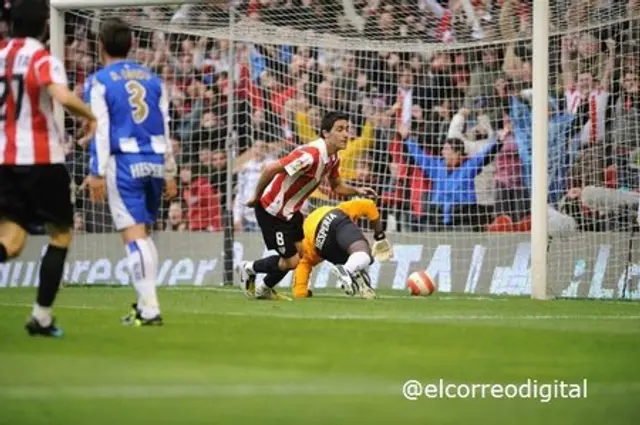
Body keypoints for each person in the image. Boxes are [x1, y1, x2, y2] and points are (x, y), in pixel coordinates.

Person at [0, 0, 97, 337]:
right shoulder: (40, 57)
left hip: (4, 160)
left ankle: (41, 319)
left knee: (10, 243)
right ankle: (41, 316)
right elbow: (62, 95)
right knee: (60, 234)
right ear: (44, 24)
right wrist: (90, 116)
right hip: (41, 159)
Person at [82, 18, 177, 326]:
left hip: (123, 162)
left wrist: (96, 171)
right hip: (155, 160)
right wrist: (171, 170)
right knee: (144, 234)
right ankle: (143, 304)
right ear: (131, 45)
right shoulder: (153, 79)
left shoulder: (99, 81)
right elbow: (165, 125)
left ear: (100, 46)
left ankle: (150, 309)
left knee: (134, 235)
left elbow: (100, 129)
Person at [238, 111, 378, 300]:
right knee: (292, 261)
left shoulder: (333, 158)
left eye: (347, 129)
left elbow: (337, 186)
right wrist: (256, 196)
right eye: (340, 129)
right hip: (272, 212)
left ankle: (264, 289)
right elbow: (271, 168)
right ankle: (249, 269)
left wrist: (357, 191)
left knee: (301, 255)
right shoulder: (310, 156)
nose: (346, 134)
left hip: (291, 213)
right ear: (325, 133)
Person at [292, 198, 392, 299]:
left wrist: (302, 293)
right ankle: (347, 270)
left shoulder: (303, 247)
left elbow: (300, 278)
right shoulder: (342, 208)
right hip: (333, 219)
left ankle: (358, 280)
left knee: (352, 258)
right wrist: (380, 236)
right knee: (364, 254)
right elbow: (369, 205)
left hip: (321, 246)